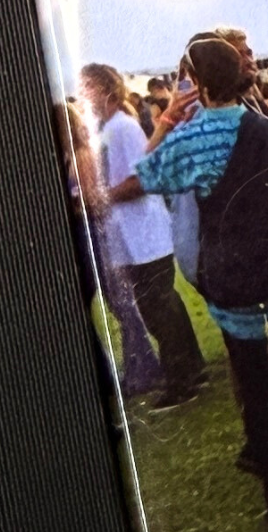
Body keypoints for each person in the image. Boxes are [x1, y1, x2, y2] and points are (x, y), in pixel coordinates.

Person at [110, 34, 268, 532]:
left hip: (231, 279)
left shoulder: (190, 140)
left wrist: (169, 118)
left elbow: (141, 176)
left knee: (257, 399)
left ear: (195, 82)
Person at [80, 63, 205, 405]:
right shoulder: (107, 129)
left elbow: (141, 179)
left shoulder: (122, 128)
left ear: (104, 89)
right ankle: (192, 368)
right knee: (162, 304)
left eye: (87, 88)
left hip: (144, 233)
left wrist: (102, 199)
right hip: (129, 235)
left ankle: (181, 381)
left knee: (156, 308)